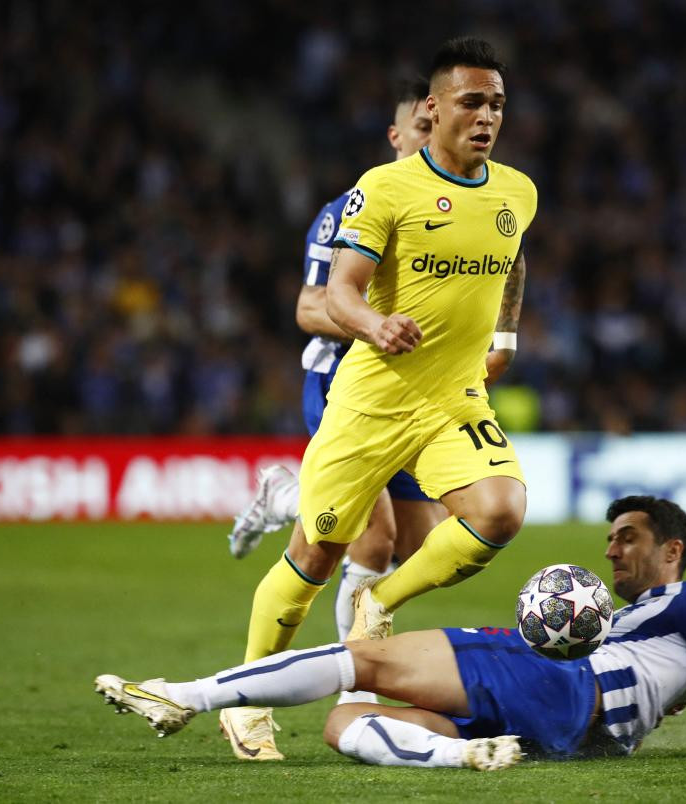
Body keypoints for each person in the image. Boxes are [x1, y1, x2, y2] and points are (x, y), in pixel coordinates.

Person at [211, 36, 532, 761]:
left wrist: (505, 335)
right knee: (318, 556)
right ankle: (245, 700)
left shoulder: (518, 191)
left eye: (497, 104)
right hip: (368, 395)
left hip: (452, 398)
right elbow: (332, 293)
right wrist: (373, 323)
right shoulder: (379, 191)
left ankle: (377, 604)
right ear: (430, 110)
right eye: (472, 102)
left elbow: (512, 257)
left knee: (498, 512)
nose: (486, 117)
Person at [95, 495, 686, 769]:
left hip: (565, 686)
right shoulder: (635, 627)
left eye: (628, 537)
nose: (612, 549)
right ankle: (462, 753)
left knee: (362, 660)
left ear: (672, 550)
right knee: (348, 723)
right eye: (611, 539)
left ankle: (185, 696)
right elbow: (671, 689)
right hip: (565, 725)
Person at [228, 80, 448, 708]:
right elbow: (307, 306)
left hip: (412, 395)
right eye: (421, 128)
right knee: (370, 536)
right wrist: (373, 322)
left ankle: (287, 495)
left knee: (422, 543)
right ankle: (360, 686)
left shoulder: (449, 217)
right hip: (341, 383)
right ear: (397, 136)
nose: (432, 138)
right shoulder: (350, 210)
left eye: (439, 128)